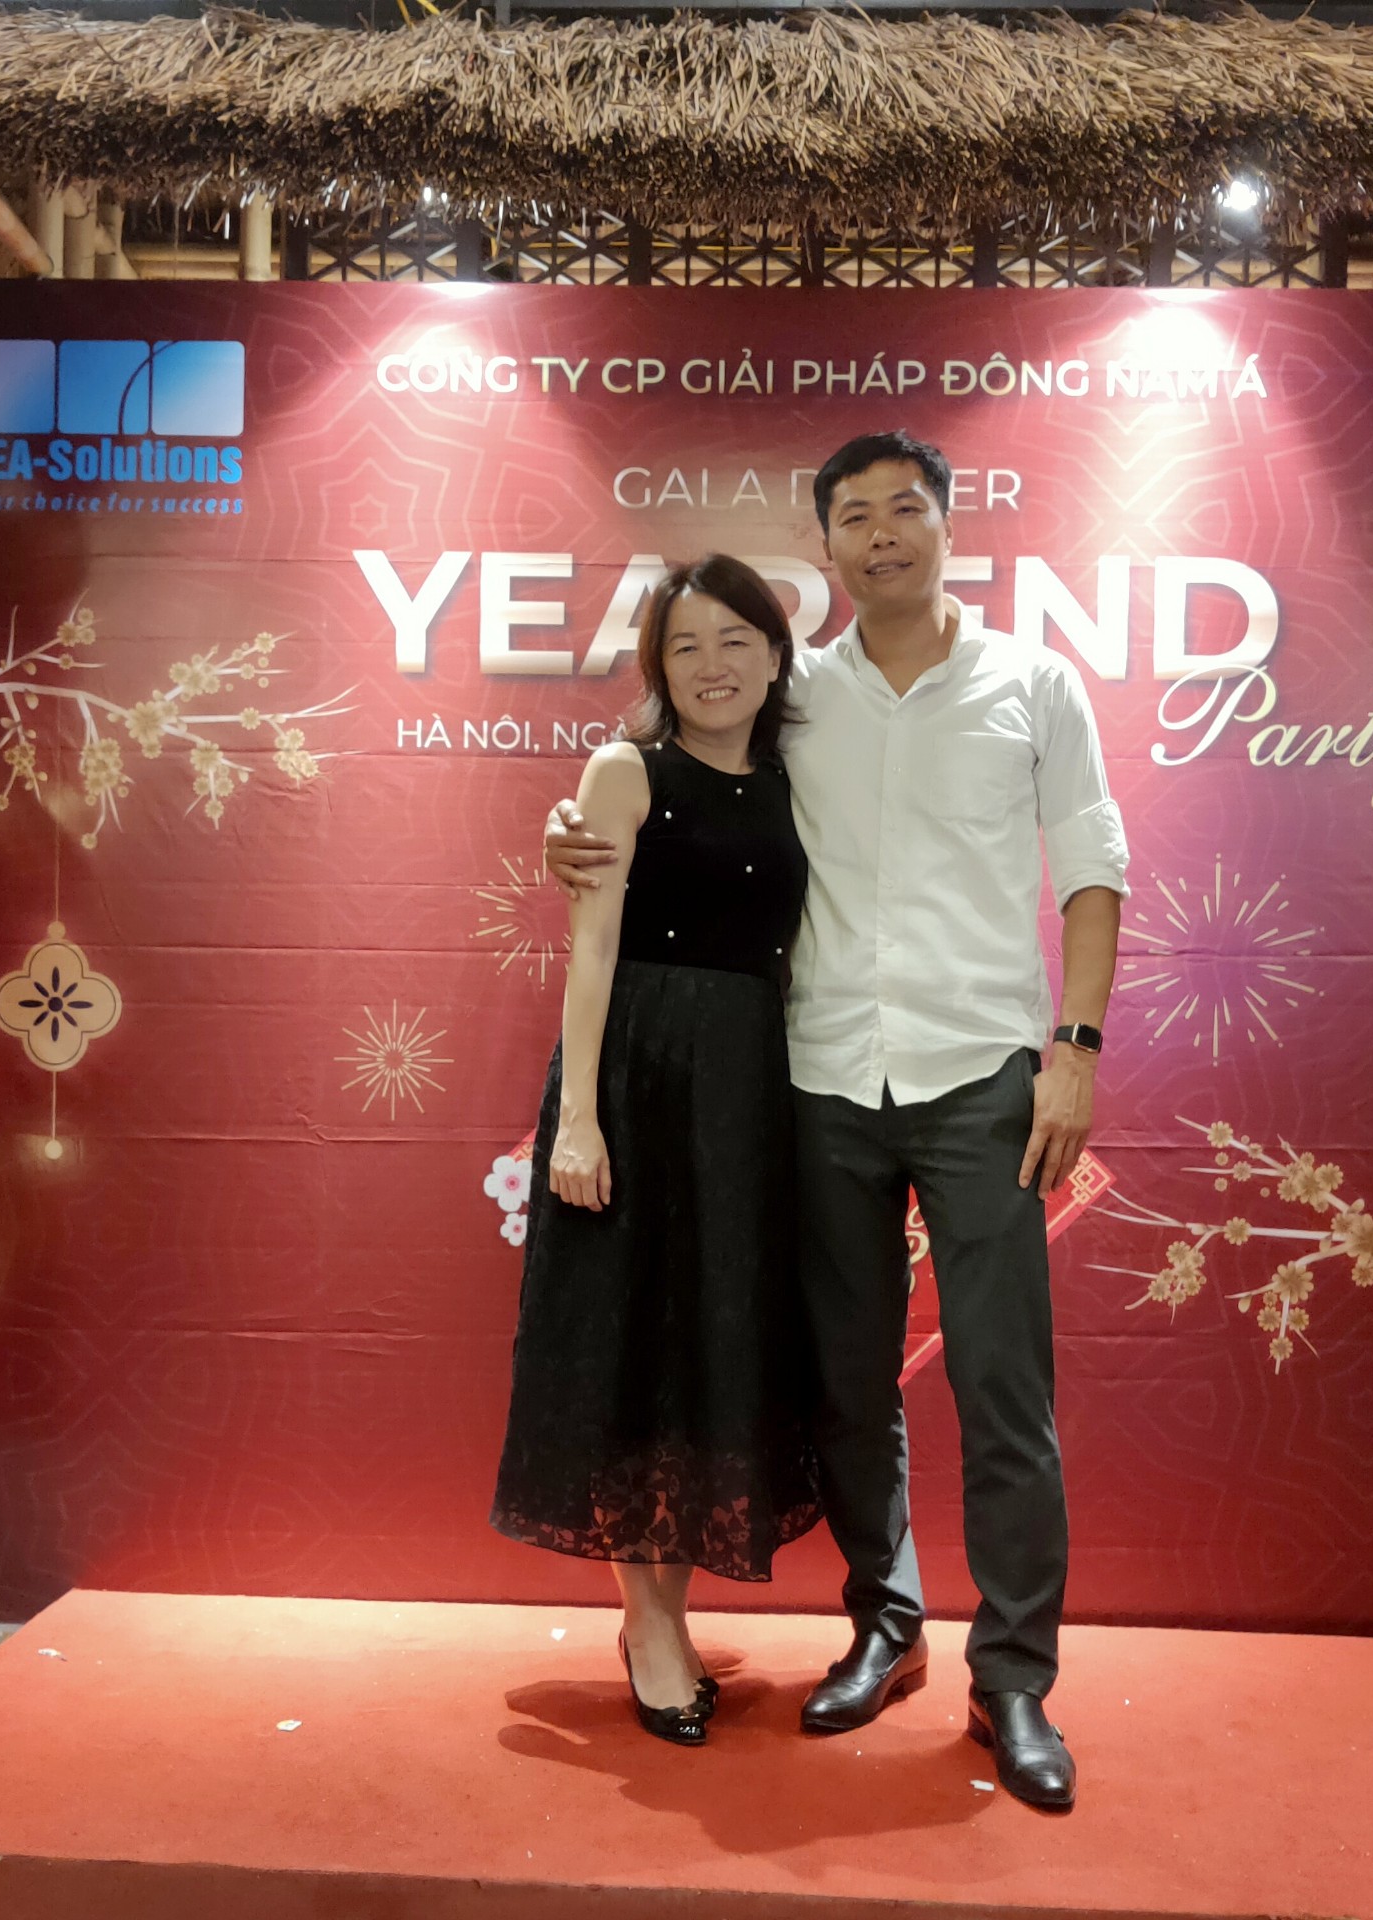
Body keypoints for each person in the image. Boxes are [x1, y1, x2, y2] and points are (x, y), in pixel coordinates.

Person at [545, 430, 1126, 1808]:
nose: (881, 535)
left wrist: (1076, 1051)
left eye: (903, 509)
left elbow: (1093, 865)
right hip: (820, 1083)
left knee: (1004, 1393)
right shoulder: (796, 693)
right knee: (849, 1386)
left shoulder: (1034, 684)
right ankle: (887, 1623)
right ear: (825, 548)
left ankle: (1015, 1678)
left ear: (948, 525)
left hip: (984, 1081)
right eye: (853, 516)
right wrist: (575, 831)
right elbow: (674, 771)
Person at [490, 554, 824, 1747]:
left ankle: (660, 1620)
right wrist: (579, 1116)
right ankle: (651, 1625)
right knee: (623, 1346)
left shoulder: (798, 780)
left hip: (749, 1093)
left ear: (776, 655)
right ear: (656, 668)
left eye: (735, 640)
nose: (712, 665)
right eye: (685, 646)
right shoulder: (625, 771)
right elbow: (590, 950)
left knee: (710, 1348)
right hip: (635, 1079)